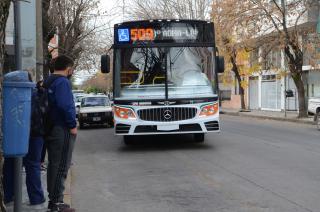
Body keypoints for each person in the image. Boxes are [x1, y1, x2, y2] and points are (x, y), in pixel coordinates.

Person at [3, 74, 46, 209]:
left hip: (16, 134)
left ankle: (9, 195)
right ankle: (36, 198)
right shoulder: (37, 93)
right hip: (36, 134)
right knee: (32, 166)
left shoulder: (13, 94)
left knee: (10, 164)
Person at [44, 55, 77, 212]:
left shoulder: (48, 80)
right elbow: (65, 105)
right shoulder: (63, 82)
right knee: (61, 165)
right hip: (61, 128)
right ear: (68, 68)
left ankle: (54, 201)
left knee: (53, 165)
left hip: (50, 127)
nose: (72, 71)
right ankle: (57, 203)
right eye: (72, 68)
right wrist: (72, 125)